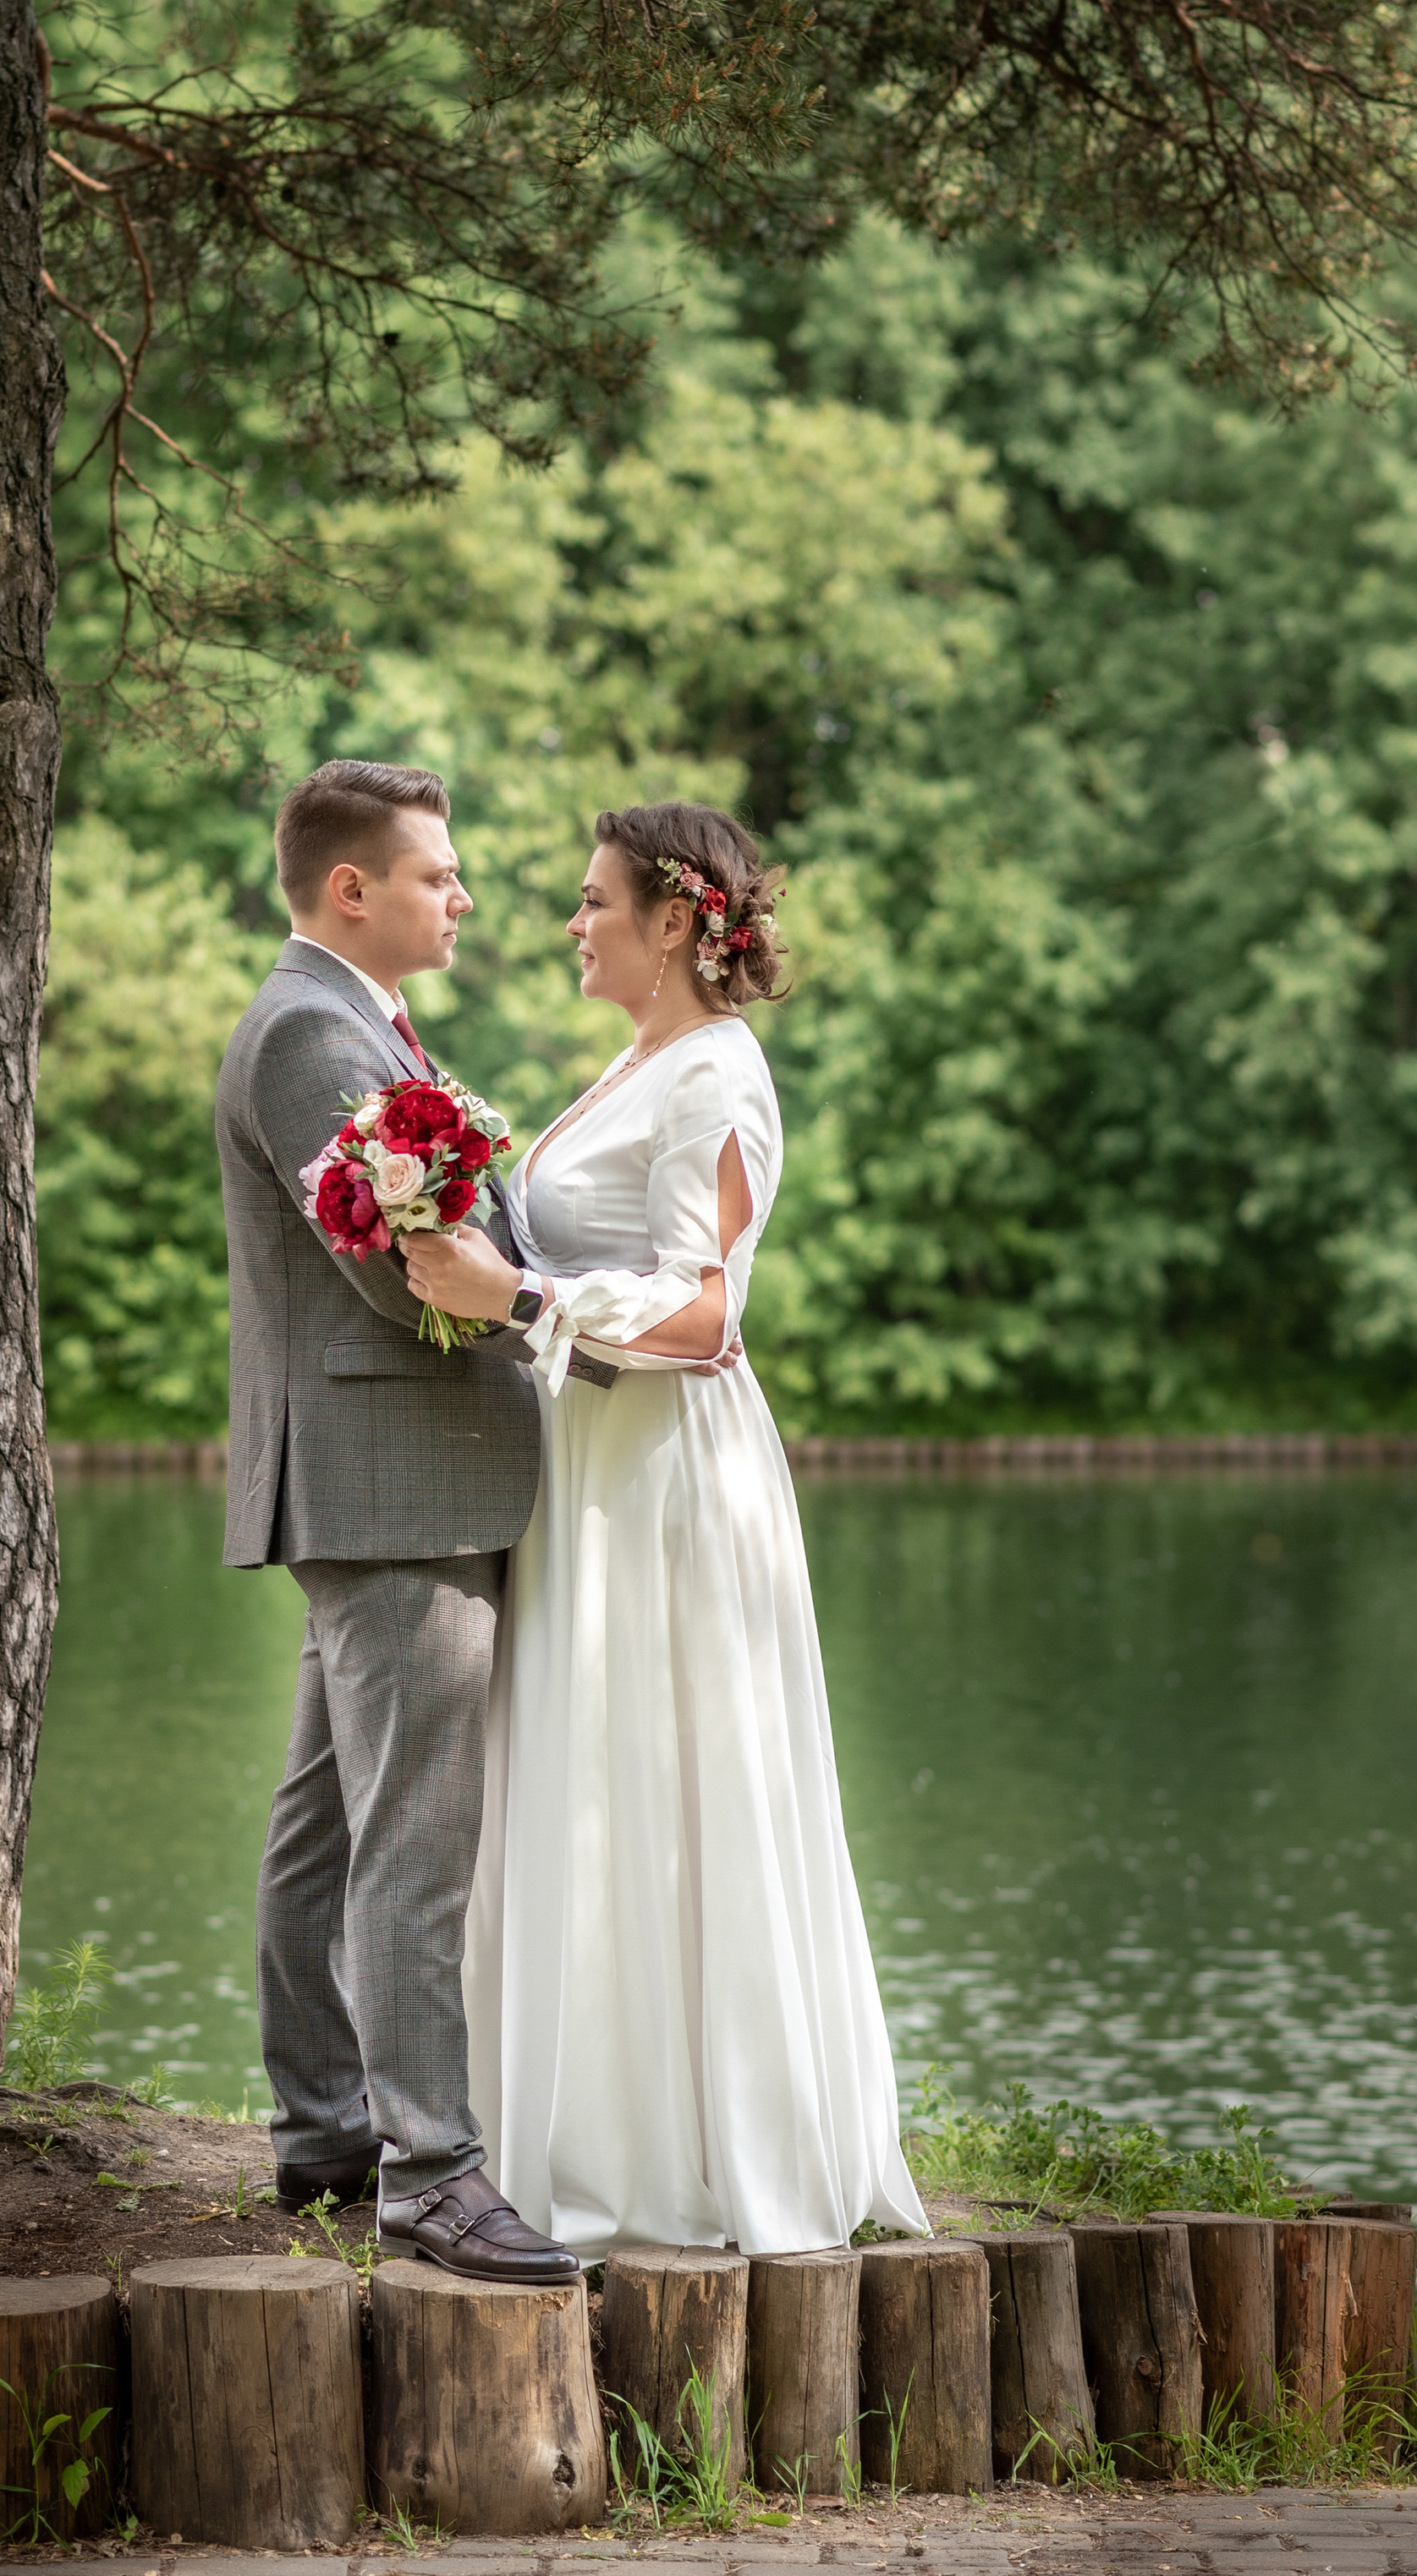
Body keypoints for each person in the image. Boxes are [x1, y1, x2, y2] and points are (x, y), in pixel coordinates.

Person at [403, 800, 930, 2259]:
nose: (572, 922)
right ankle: (573, 2130)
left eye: (594, 900)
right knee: (590, 1781)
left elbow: (705, 1318)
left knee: (670, 1783)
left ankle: (699, 2150)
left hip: (665, 1482)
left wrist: (510, 1295)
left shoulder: (718, 1074)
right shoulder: (639, 1060)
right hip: (587, 1464)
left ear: (679, 919)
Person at [214, 758, 578, 2284]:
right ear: (351, 886)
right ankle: (430, 2170)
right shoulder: (315, 1031)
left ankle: (324, 2132)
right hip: (396, 1480)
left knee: (328, 1824)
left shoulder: (350, 1019)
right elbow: (397, 1270)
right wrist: (558, 1312)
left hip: (381, 1477)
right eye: (439, 872)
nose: (464, 895)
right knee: (417, 1840)